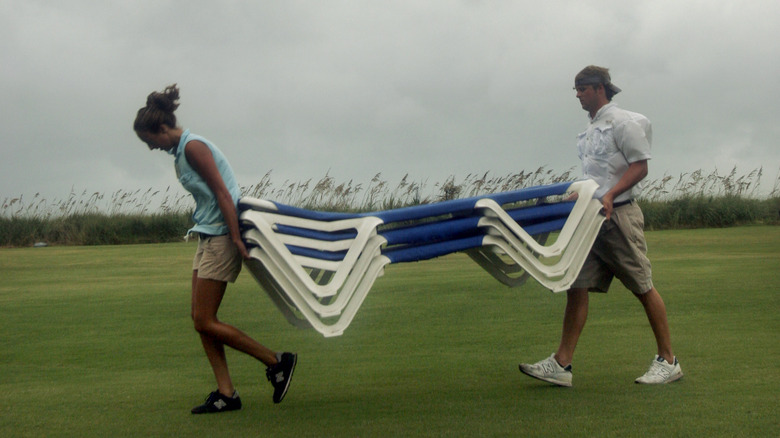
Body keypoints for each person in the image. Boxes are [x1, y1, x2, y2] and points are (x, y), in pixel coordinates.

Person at [133, 84, 297, 413]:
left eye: (151, 141)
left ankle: (276, 361)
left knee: (205, 320)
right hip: (208, 234)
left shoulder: (193, 147)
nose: (151, 148)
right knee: (200, 319)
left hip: (223, 236)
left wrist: (236, 238)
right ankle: (226, 393)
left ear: (162, 129)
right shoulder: (180, 151)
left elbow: (224, 193)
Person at [518, 66, 682, 387]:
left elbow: (640, 167)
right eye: (576, 89)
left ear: (598, 89)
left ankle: (669, 360)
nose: (577, 95)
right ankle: (562, 364)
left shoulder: (623, 123)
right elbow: (596, 173)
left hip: (618, 216)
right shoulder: (593, 127)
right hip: (590, 218)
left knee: (642, 286)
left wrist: (611, 194)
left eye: (581, 89)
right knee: (576, 287)